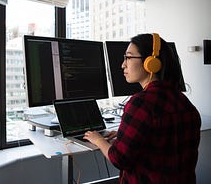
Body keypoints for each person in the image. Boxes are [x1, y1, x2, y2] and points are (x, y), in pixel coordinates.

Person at [83, 33, 201, 183]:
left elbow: (119, 159)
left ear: (151, 63)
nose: (123, 64)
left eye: (129, 57)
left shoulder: (141, 103)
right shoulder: (185, 102)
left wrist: (98, 140)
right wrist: (124, 136)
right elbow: (162, 142)